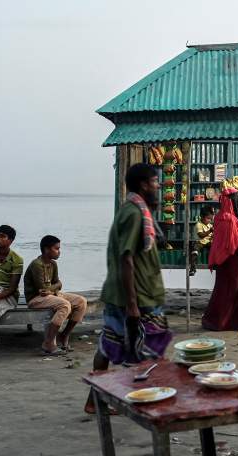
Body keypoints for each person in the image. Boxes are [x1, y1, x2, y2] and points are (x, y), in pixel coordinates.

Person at [87, 164, 172, 412]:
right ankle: (142, 399)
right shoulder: (134, 213)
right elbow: (127, 258)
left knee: (110, 343)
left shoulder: (135, 209)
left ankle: (95, 400)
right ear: (144, 184)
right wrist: (133, 303)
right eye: (155, 181)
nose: (159, 185)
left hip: (129, 293)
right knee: (150, 346)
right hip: (137, 296)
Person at [23, 235, 88, 355]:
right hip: (36, 299)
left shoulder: (53, 264)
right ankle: (48, 343)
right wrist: (54, 287)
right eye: (56, 249)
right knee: (65, 305)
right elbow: (42, 290)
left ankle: (64, 335)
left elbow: (57, 284)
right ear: (47, 249)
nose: (59, 251)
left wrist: (54, 288)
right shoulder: (37, 264)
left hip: (51, 295)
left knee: (81, 301)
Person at [202, 189, 238, 331]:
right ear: (231, 201)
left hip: (225, 263)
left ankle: (219, 319)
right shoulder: (229, 219)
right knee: (231, 292)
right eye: (237, 199)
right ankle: (226, 322)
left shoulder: (219, 217)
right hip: (233, 263)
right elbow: (235, 244)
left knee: (223, 290)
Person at [188, 206, 214, 276]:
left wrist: (213, 236)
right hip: (199, 242)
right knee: (194, 252)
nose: (209, 220)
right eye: (208, 218)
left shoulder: (209, 225)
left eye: (210, 219)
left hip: (208, 242)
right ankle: (192, 269)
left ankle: (215, 264)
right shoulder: (198, 224)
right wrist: (210, 231)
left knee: (215, 248)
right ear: (202, 217)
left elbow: (212, 235)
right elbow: (201, 235)